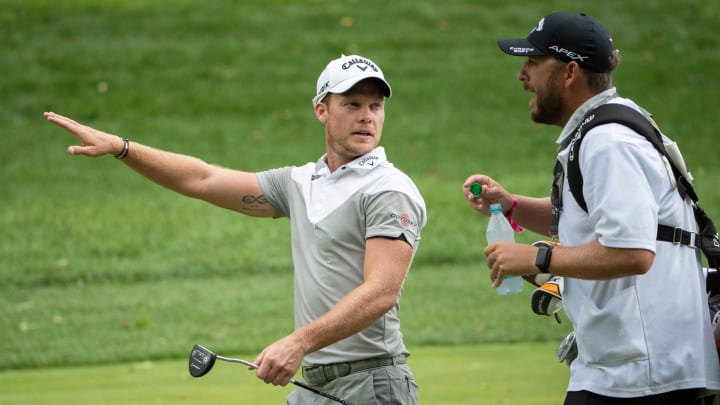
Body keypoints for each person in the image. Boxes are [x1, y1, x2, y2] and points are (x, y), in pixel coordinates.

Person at [45, 54, 426, 405]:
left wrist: (298, 342)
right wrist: (121, 147)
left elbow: (381, 292)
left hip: (372, 384)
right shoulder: (302, 183)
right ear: (321, 110)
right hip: (314, 386)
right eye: (353, 104)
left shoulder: (388, 190)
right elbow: (203, 179)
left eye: (375, 106)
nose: (367, 116)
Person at [462, 12, 720, 405]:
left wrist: (539, 258)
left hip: (644, 373)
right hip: (630, 367)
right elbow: (587, 215)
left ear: (569, 73)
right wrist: (510, 205)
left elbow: (632, 252)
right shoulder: (603, 129)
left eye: (533, 62)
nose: (522, 75)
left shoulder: (608, 142)